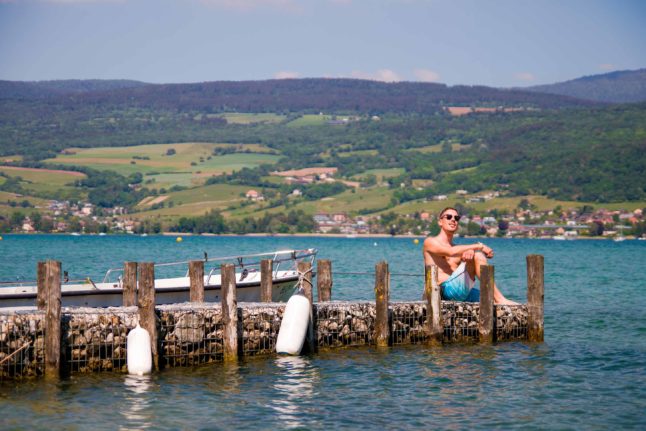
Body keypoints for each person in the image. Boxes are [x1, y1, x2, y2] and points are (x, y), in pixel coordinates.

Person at [423, 207, 517, 305]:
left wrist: (470, 253)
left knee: (490, 299)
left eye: (456, 218)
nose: (453, 220)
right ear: (440, 222)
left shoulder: (458, 248)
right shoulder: (430, 242)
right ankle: (501, 299)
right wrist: (479, 247)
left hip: (462, 291)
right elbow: (450, 252)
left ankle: (502, 300)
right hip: (443, 291)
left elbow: (464, 259)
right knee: (478, 254)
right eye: (449, 217)